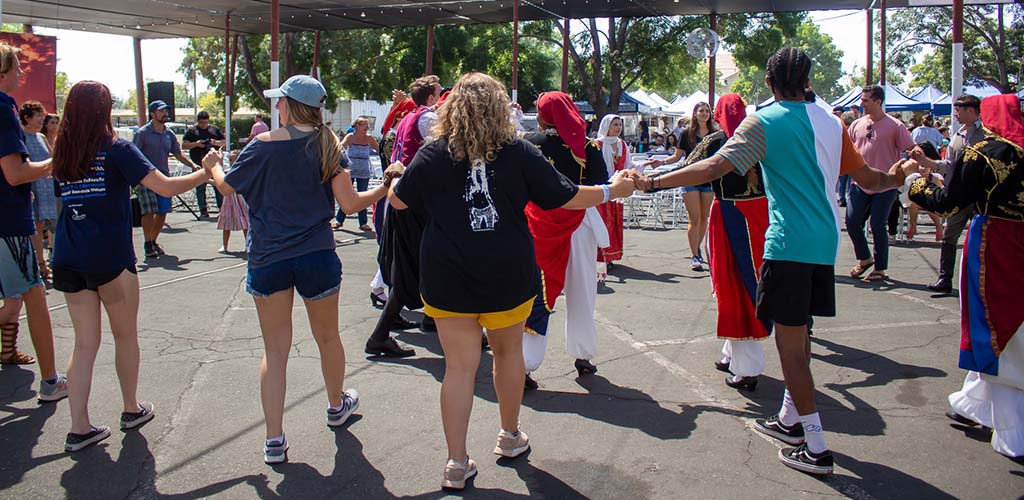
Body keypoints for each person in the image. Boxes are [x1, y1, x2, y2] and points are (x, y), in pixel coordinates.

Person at [632, 47, 907, 475]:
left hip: (789, 243)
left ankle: (814, 445)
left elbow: (713, 168)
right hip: (823, 241)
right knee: (803, 333)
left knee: (791, 348)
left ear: (769, 83)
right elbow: (871, 179)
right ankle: (789, 418)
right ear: (808, 79)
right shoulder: (834, 123)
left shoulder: (765, 121)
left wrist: (651, 182)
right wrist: (901, 176)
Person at [388, 73, 635, 490]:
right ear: (499, 109)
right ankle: (509, 435)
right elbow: (564, 194)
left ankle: (455, 462)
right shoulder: (518, 152)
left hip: (448, 275)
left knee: (459, 369)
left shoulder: (433, 153)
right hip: (508, 271)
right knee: (508, 356)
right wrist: (612, 191)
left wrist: (396, 175)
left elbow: (397, 200)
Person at [203, 75, 399, 464]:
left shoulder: (261, 146)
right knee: (328, 338)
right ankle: (335, 404)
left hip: (269, 257)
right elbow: (350, 204)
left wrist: (212, 167)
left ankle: (274, 439)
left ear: (290, 105)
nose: (276, 107)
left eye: (280, 102)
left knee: (275, 351)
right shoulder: (327, 144)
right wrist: (383, 189)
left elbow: (227, 189)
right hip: (317, 255)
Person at [51, 81, 213, 451]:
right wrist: (207, 172)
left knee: (84, 343)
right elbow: (166, 188)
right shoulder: (116, 149)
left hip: (69, 256)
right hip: (109, 256)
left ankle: (79, 427)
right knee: (125, 336)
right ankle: (130, 407)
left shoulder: (63, 152)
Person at [903, 93, 1024, 458]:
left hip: (996, 244)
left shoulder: (984, 151)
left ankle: (1012, 430)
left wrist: (917, 185)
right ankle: (972, 403)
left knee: (993, 324)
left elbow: (950, 201)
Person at [675, 94, 772, 391]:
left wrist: (651, 183)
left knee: (734, 284)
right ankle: (733, 353)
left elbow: (689, 166)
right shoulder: (762, 132)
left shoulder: (717, 140)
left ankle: (747, 367)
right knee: (750, 278)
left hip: (729, 213)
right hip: (762, 213)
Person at [522, 91, 610, 389]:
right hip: (580, 220)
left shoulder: (528, 142)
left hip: (539, 223)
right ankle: (582, 355)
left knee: (537, 290)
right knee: (582, 290)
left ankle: (524, 363)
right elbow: (602, 184)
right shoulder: (587, 147)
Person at [0, 42, 66, 405]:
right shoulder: (3, 107)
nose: (22, 74)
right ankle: (51, 379)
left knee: (13, 302)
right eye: (16, 68)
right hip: (9, 223)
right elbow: (14, 173)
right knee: (32, 298)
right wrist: (56, 162)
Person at [366, 75, 442, 358]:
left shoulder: (409, 117)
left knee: (417, 262)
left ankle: (431, 318)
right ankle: (380, 334)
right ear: (432, 99)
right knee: (415, 263)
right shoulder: (428, 119)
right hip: (415, 198)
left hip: (404, 193)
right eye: (439, 93)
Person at [909, 94, 987, 294]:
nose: (955, 114)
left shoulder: (987, 135)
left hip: (982, 196)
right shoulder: (957, 136)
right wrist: (928, 162)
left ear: (971, 110)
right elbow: (949, 165)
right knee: (949, 235)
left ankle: (982, 282)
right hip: (958, 194)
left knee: (983, 239)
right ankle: (945, 278)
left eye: (958, 110)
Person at [846, 84, 916, 282]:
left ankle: (880, 268)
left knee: (878, 224)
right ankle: (865, 258)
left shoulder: (895, 125)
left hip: (886, 184)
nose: (861, 104)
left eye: (866, 100)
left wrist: (910, 164)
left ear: (878, 101)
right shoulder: (856, 124)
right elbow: (847, 150)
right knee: (852, 222)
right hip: (859, 183)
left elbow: (910, 149)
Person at [645, 101, 719, 271]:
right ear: (695, 113)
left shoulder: (716, 134)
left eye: (707, 111)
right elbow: (677, 157)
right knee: (694, 218)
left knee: (703, 218)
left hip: (708, 180)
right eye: (701, 111)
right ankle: (694, 255)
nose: (704, 113)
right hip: (689, 179)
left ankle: (698, 248)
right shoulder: (687, 134)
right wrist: (661, 161)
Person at [132, 100, 197, 258]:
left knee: (162, 211)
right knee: (149, 211)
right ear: (153, 114)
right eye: (161, 111)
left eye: (166, 111)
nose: (165, 114)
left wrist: (194, 166)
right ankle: (148, 243)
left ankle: (153, 241)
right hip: (146, 177)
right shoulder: (142, 133)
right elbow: (133, 155)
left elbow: (178, 154)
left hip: (164, 178)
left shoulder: (169, 134)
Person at [594, 114, 639, 282]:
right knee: (603, 222)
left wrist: (644, 166)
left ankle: (611, 256)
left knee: (615, 223)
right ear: (607, 126)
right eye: (615, 124)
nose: (618, 127)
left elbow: (629, 164)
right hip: (602, 188)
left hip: (617, 188)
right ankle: (600, 256)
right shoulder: (597, 144)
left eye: (620, 124)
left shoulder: (622, 144)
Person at [20, 101, 56, 280]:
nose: (42, 118)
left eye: (42, 115)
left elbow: (52, 158)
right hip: (30, 187)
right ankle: (38, 264)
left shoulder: (40, 137)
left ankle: (42, 263)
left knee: (42, 225)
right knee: (33, 227)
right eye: (38, 115)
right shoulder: (21, 136)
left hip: (45, 186)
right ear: (27, 118)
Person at [334, 117, 379, 232]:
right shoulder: (350, 137)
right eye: (364, 125)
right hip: (350, 171)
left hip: (364, 172)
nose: (366, 128)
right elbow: (340, 148)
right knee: (347, 195)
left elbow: (381, 150)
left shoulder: (369, 139)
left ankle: (363, 222)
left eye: (367, 125)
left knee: (362, 195)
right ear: (357, 126)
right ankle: (339, 220)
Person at [182, 110, 226, 216]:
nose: (204, 125)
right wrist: (196, 144)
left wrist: (215, 142)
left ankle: (222, 209)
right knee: (200, 187)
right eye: (201, 123)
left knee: (218, 186)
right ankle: (203, 210)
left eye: (206, 122)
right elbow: (184, 145)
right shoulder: (192, 131)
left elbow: (224, 141)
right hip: (198, 163)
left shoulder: (214, 129)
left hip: (214, 164)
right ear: (198, 121)